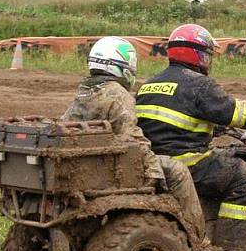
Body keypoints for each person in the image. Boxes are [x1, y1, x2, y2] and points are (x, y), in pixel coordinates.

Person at [136, 24, 246, 251]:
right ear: (199, 54)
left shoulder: (149, 85)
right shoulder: (200, 85)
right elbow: (239, 113)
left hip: (155, 161)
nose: (209, 60)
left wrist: (215, 126)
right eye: (208, 55)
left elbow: (173, 119)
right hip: (188, 163)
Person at [61, 36, 204, 237]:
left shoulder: (85, 91)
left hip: (91, 161)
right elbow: (133, 138)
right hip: (111, 166)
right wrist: (154, 171)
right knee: (177, 170)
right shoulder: (118, 95)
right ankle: (197, 238)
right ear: (122, 67)